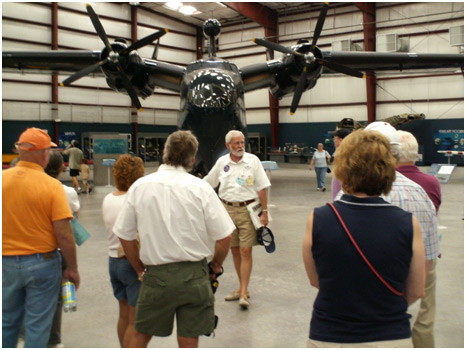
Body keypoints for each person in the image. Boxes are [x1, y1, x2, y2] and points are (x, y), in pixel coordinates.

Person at [303, 129, 426, 347]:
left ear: (342, 169)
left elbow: (316, 281)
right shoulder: (408, 223)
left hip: (331, 333)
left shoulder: (318, 219)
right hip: (390, 334)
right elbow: (416, 290)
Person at [113, 130, 234, 348]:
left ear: (164, 152)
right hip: (195, 277)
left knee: (140, 335)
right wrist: (215, 266)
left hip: (156, 277)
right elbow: (225, 236)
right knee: (189, 339)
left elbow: (124, 234)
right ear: (192, 159)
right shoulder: (201, 188)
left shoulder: (140, 187)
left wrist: (139, 269)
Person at [336, 122, 440, 347]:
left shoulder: (346, 195)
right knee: (424, 321)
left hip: (357, 308)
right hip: (405, 294)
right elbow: (428, 261)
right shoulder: (420, 193)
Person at [2, 127, 80, 348]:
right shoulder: (52, 186)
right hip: (42, 264)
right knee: (37, 325)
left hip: (5, 262)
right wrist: (72, 268)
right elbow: (64, 235)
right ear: (44, 153)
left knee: (7, 322)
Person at [204, 130, 270, 309]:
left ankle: (243, 292)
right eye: (237, 144)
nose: (241, 146)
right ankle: (243, 289)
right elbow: (208, 183)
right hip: (226, 211)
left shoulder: (253, 161)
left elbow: (262, 188)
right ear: (228, 146)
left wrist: (264, 212)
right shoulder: (221, 162)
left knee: (246, 251)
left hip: (248, 211)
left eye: (242, 143)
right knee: (234, 250)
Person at [397, 130, 441, 348]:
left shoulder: (384, 182)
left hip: (395, 257)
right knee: (426, 311)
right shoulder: (431, 182)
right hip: (426, 255)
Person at [102, 154, 145, 347]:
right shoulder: (134, 200)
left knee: (124, 315)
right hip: (131, 261)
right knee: (136, 321)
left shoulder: (108, 198)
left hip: (113, 261)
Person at [43, 151, 81, 348]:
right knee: (62, 289)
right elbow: (74, 219)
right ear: (61, 168)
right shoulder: (68, 192)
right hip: (61, 248)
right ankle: (54, 340)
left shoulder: (36, 187)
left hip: (39, 248)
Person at [329, 128, 352, 200]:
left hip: (342, 200)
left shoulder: (345, 157)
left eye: (334, 138)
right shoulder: (345, 155)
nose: (333, 140)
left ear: (340, 140)